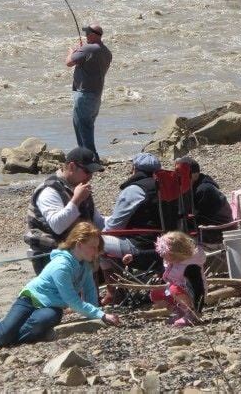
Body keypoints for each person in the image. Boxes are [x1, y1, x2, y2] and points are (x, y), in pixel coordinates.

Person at [0, 222, 120, 349]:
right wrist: (101, 315)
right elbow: (72, 300)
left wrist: (94, 317)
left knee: (44, 321)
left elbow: (89, 290)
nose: (96, 251)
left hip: (51, 306)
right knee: (5, 332)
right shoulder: (61, 265)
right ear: (79, 245)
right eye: (92, 247)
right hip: (30, 298)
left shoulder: (85, 264)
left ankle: (2, 340)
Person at [24, 147, 105, 275]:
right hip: (51, 254)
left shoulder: (80, 187)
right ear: (72, 166)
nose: (90, 176)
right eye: (87, 171)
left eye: (92, 172)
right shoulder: (49, 190)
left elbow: (97, 222)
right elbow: (58, 226)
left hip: (78, 250)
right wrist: (76, 200)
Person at [101, 152, 162, 305]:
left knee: (90, 242)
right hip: (167, 245)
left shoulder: (135, 190)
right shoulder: (168, 186)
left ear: (134, 168)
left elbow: (114, 226)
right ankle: (116, 291)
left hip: (141, 248)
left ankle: (113, 292)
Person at [126, 231, 206, 327]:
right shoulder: (171, 259)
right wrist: (135, 256)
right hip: (176, 289)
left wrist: (198, 308)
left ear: (174, 253)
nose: (161, 255)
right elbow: (154, 254)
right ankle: (180, 310)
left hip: (191, 292)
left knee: (174, 289)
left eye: (163, 253)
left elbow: (198, 288)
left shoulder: (190, 266)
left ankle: (191, 313)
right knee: (156, 293)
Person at [66, 23, 112, 161]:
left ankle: (91, 158)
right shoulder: (106, 52)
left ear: (93, 35)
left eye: (87, 34)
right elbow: (89, 63)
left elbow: (69, 62)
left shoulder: (88, 48)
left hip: (84, 94)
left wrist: (72, 52)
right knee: (84, 125)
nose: (85, 36)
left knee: (83, 127)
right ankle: (85, 157)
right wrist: (82, 51)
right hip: (96, 95)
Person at [175, 157, 234, 243]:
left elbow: (198, 217)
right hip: (217, 227)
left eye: (182, 175)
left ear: (195, 175)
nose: (180, 179)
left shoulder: (204, 189)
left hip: (219, 231)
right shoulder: (199, 184)